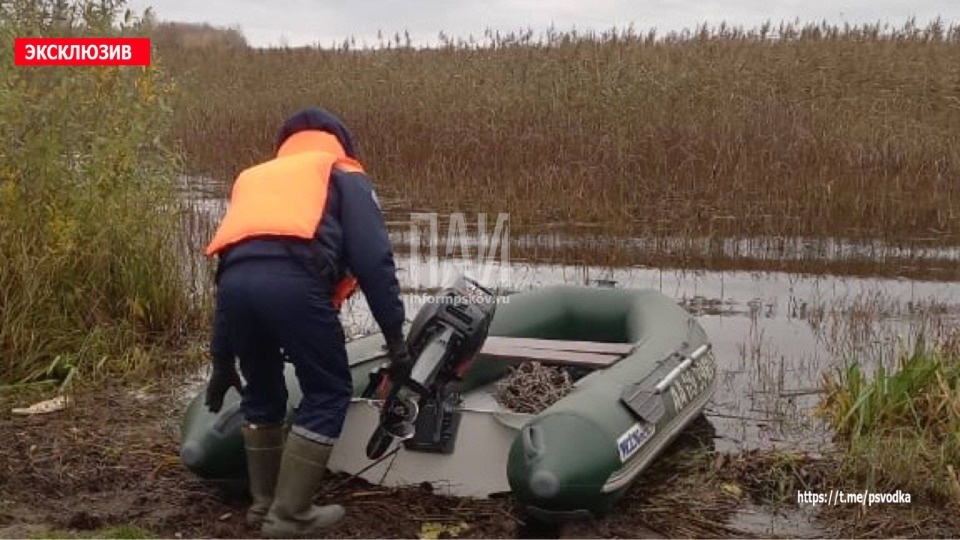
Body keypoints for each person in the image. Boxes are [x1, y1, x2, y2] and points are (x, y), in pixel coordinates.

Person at [201, 107, 412, 537]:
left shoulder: (254, 177)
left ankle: (263, 507)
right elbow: (373, 259)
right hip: (295, 283)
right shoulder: (341, 171)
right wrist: (395, 338)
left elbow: (232, 268)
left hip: (236, 290)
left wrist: (222, 357)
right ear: (340, 141)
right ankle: (290, 514)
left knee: (261, 389)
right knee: (329, 389)